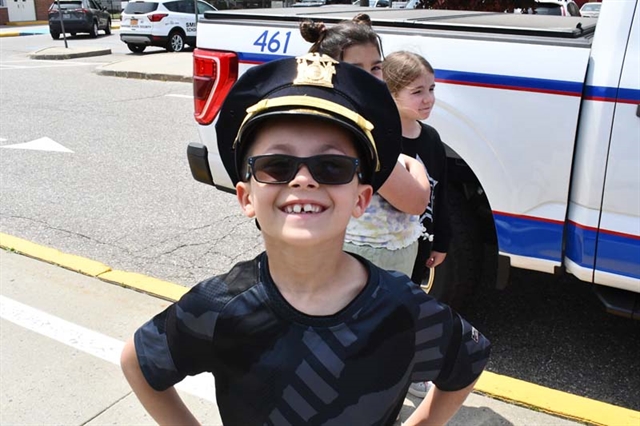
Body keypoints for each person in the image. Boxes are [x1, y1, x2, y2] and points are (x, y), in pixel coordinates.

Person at [120, 52, 490, 425]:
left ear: (361, 199)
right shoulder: (220, 305)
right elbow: (138, 361)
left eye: (332, 167)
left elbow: (467, 359)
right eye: (275, 166)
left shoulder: (401, 306)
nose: (303, 179)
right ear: (247, 197)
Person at [300, 14, 431, 277]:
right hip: (368, 260)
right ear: (329, 73)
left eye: (375, 68)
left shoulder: (319, 120)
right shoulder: (354, 131)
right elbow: (415, 200)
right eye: (355, 69)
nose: (370, 78)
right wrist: (412, 164)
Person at [383, 51, 452, 399]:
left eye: (432, 88)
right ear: (391, 93)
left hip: (418, 245)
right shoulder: (383, 139)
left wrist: (441, 241)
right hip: (385, 248)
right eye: (417, 91)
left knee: (409, 305)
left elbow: (442, 193)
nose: (428, 99)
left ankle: (406, 369)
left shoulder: (432, 139)